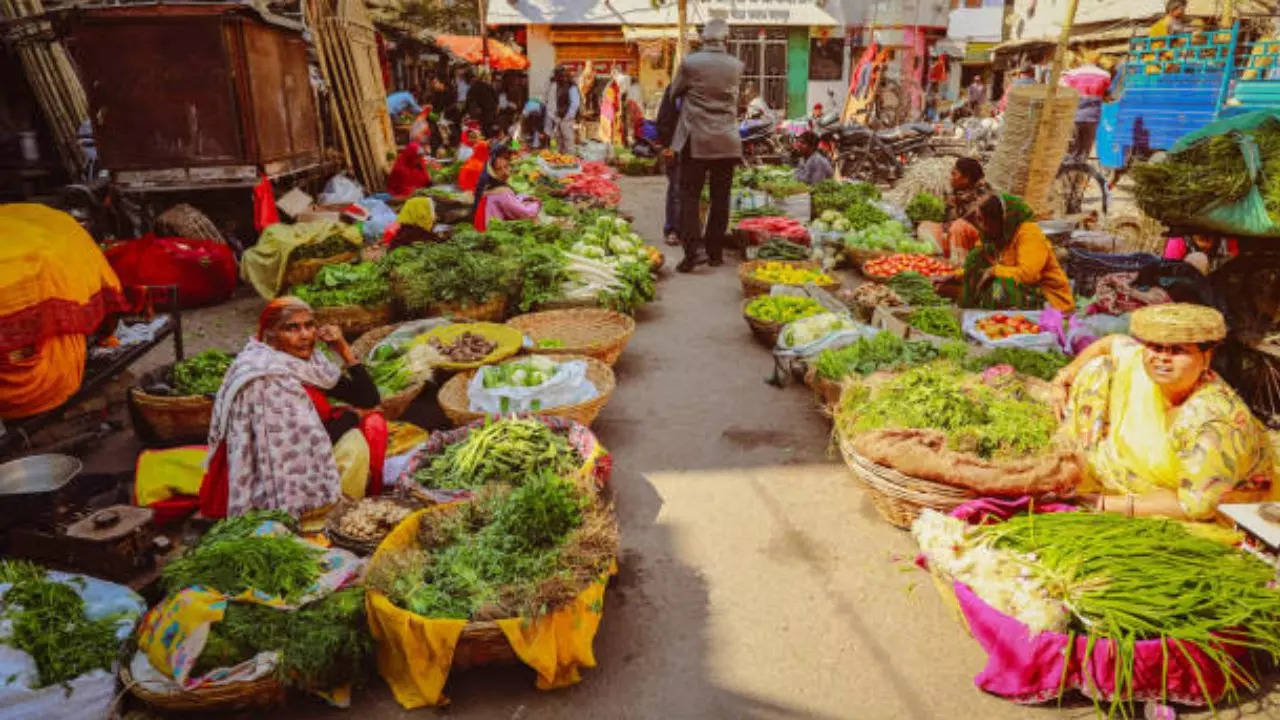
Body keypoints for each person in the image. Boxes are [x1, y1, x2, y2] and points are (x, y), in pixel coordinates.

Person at [1053, 303, 1276, 520]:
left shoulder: (1213, 420)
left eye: (1178, 350)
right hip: (1142, 476)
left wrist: (1100, 503)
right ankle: (1091, 463)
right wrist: (1065, 376)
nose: (1162, 358)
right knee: (1098, 368)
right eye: (1155, 347)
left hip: (1215, 498)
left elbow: (1197, 506)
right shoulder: (1139, 365)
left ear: (1206, 357)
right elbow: (1112, 343)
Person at [200, 297, 388, 526]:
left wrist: (343, 349)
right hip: (274, 466)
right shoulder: (266, 378)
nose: (306, 335)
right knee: (355, 445)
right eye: (292, 328)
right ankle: (326, 517)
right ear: (270, 335)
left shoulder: (305, 364)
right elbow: (308, 442)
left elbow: (368, 398)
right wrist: (355, 416)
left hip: (308, 439)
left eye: (310, 325)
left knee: (372, 423)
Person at [670, 18, 744, 272]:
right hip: (727, 139)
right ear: (726, 39)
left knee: (689, 195)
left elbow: (673, 93)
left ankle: (693, 252)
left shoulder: (691, 63)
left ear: (704, 38)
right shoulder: (736, 65)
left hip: (697, 140)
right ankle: (715, 252)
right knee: (720, 197)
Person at [961, 193, 1074, 311]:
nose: (983, 227)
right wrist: (956, 275)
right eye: (980, 220)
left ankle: (1002, 315)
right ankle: (983, 310)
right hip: (1024, 294)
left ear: (1001, 219)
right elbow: (980, 266)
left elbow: (1027, 275)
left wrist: (994, 271)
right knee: (975, 259)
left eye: (985, 221)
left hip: (1049, 301)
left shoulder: (1029, 233)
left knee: (1000, 285)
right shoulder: (998, 237)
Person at [927, 156, 993, 263]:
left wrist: (947, 227)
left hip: (979, 243)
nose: (951, 178)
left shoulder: (983, 197)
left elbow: (965, 222)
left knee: (958, 227)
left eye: (954, 174)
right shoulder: (960, 191)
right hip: (958, 236)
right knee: (926, 226)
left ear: (966, 178)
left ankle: (961, 264)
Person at [470, 145, 542, 231]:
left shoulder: (487, 184)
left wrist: (526, 197)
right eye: (500, 169)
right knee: (535, 220)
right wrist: (537, 203)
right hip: (491, 232)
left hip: (483, 226)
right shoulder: (502, 192)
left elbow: (510, 200)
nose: (506, 172)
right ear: (493, 171)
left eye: (506, 167)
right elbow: (526, 213)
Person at [1061, 53, 1111, 161]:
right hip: (1092, 118)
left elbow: (1063, 92)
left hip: (1074, 116)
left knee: (1071, 150)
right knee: (1085, 151)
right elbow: (1107, 95)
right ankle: (1080, 174)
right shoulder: (1105, 75)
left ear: (1082, 61)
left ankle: (1069, 174)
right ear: (1097, 61)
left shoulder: (1072, 74)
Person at [656, 84, 683, 247]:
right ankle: (672, 229)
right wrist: (667, 146)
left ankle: (687, 229)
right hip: (676, 147)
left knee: (687, 191)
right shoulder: (674, 90)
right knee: (676, 188)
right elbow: (664, 119)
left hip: (700, 147)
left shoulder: (704, 88)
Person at [545, 66, 581, 154]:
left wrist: (568, 116)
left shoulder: (571, 86)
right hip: (558, 118)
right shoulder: (556, 85)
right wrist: (554, 117)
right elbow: (551, 102)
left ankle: (570, 161)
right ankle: (561, 161)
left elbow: (575, 103)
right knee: (559, 140)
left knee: (568, 140)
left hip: (567, 119)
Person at [466, 68, 499, 138]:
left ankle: (486, 144)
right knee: (491, 130)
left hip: (482, 113)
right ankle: (491, 143)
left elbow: (470, 102)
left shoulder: (472, 89)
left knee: (484, 131)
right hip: (491, 111)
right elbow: (496, 98)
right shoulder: (487, 85)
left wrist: (468, 113)